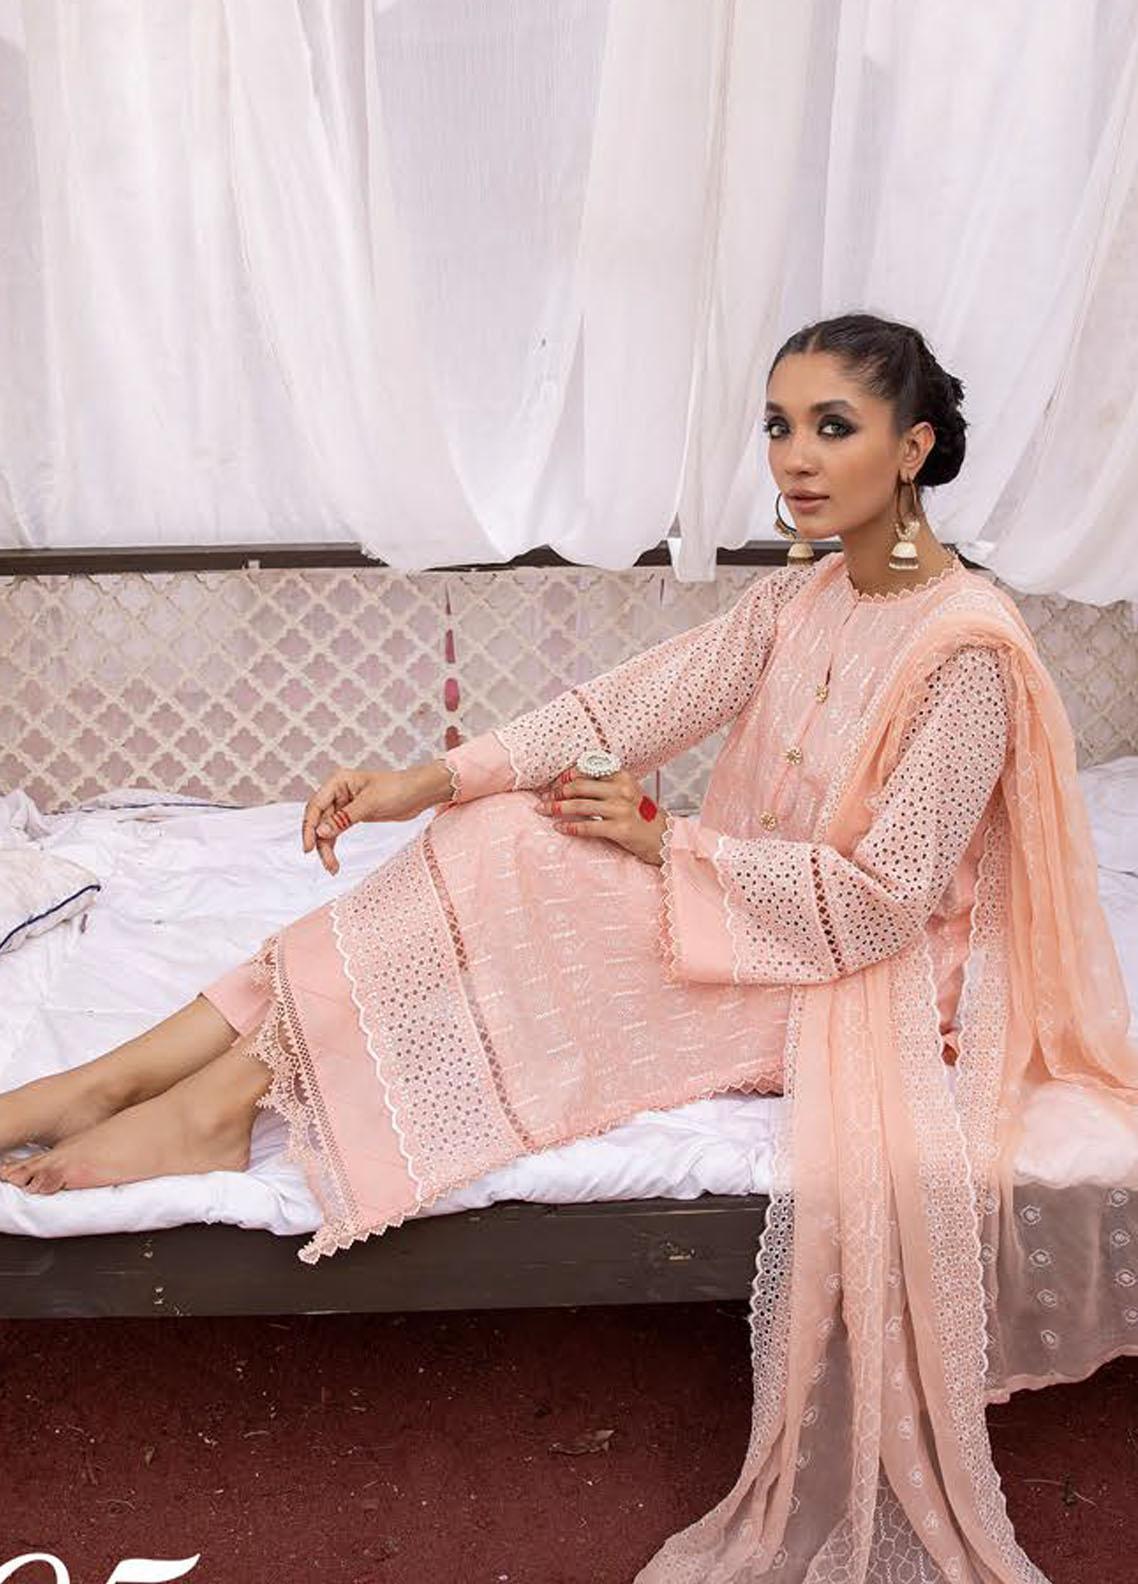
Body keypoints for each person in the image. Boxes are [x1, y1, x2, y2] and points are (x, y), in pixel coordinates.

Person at [2, 312, 1136, 1583]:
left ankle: (194, 1099)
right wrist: (427, 781)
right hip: (749, 908)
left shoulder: (966, 651)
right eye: (778, 426)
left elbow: (882, 901)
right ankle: (135, 1083)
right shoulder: (803, 595)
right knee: (502, 827)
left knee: (521, 871)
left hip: (854, 975)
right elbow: (625, 707)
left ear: (912, 448)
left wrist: (666, 846)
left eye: (834, 427)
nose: (796, 457)